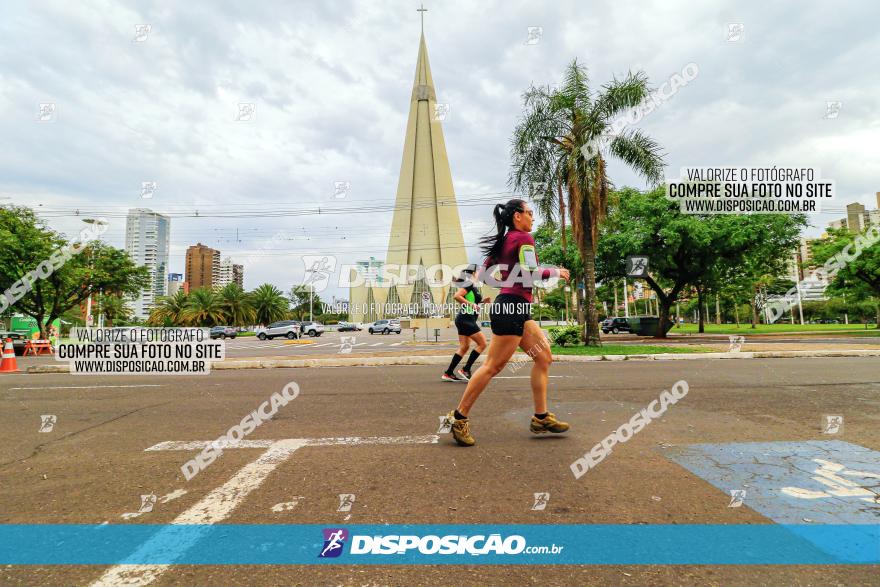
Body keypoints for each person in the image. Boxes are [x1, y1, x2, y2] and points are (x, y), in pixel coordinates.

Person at [445, 199, 571, 447]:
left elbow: (483, 274)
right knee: (492, 366)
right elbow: (531, 272)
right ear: (517, 216)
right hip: (511, 307)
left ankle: (541, 417)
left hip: (516, 307)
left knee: (544, 357)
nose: (532, 218)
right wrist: (557, 271)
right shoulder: (524, 238)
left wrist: (503, 283)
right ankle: (458, 418)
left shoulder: (504, 240)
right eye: (529, 213)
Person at [441, 265, 490, 382]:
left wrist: (482, 302)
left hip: (466, 319)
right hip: (466, 318)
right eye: (478, 271)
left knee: (464, 347)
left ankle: (448, 373)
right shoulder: (468, 284)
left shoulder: (473, 287)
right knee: (482, 344)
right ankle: (465, 369)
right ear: (473, 273)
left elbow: (472, 301)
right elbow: (456, 296)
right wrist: (470, 304)